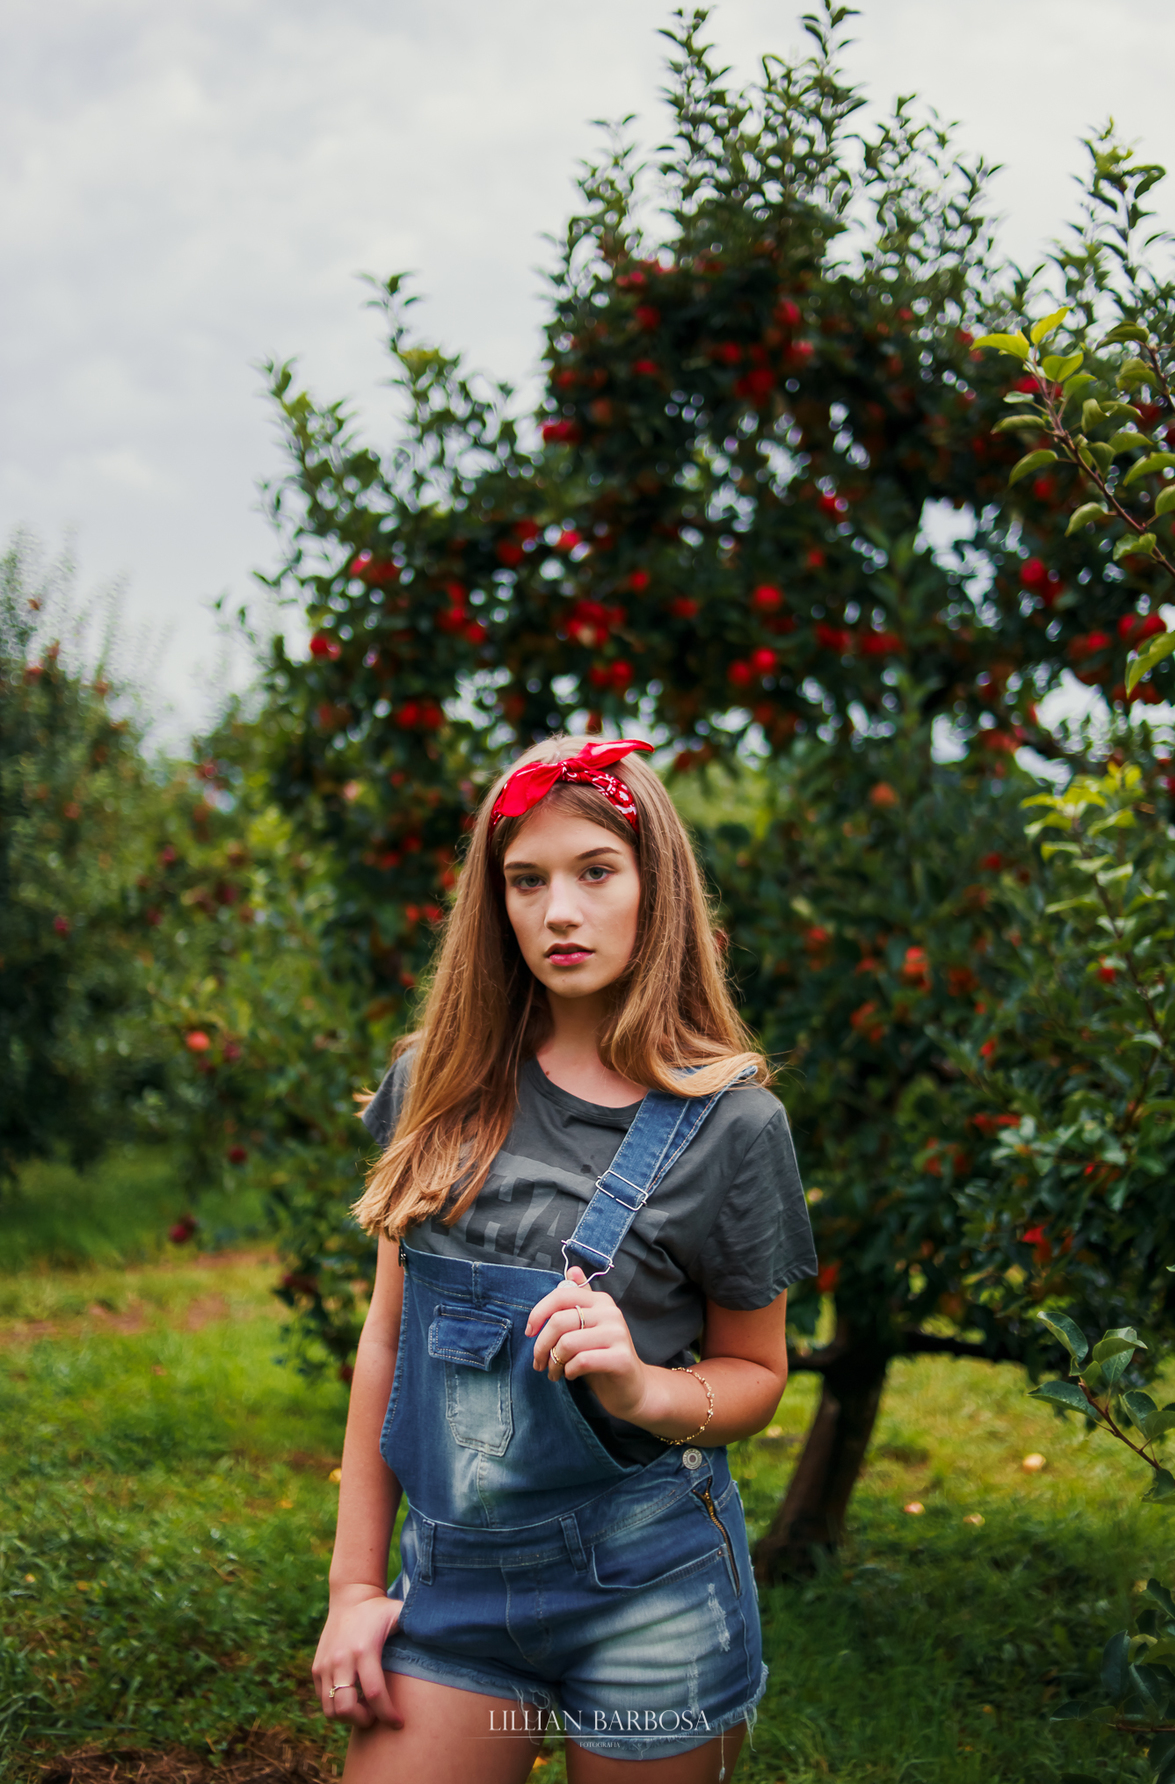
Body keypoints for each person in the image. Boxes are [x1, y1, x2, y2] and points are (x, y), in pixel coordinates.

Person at [312, 735, 816, 1783]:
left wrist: (643, 1385)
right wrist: (356, 1591)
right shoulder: (438, 1085)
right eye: (525, 881)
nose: (559, 912)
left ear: (653, 887)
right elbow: (389, 1339)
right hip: (454, 1587)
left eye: (595, 872)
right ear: (493, 904)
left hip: (653, 1591)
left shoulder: (733, 1125)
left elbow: (759, 1377)